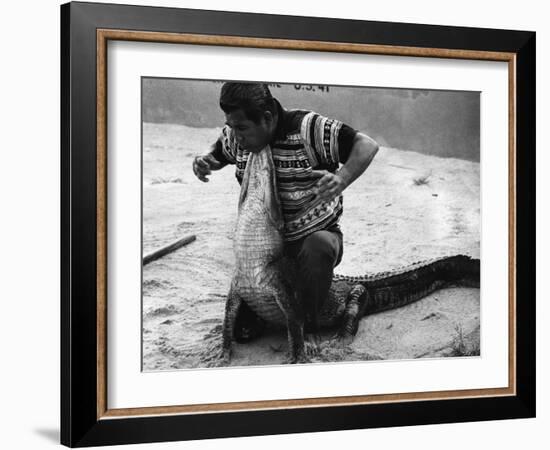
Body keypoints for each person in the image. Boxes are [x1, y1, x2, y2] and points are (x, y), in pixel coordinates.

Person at [192, 82, 379, 339]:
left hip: (309, 242)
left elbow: (366, 145)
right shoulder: (238, 133)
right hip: (265, 252)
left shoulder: (307, 128)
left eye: (242, 128)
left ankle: (309, 324)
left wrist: (342, 178)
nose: (235, 136)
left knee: (319, 245)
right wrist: (205, 160)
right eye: (231, 126)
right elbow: (219, 151)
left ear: (267, 118)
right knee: (241, 333)